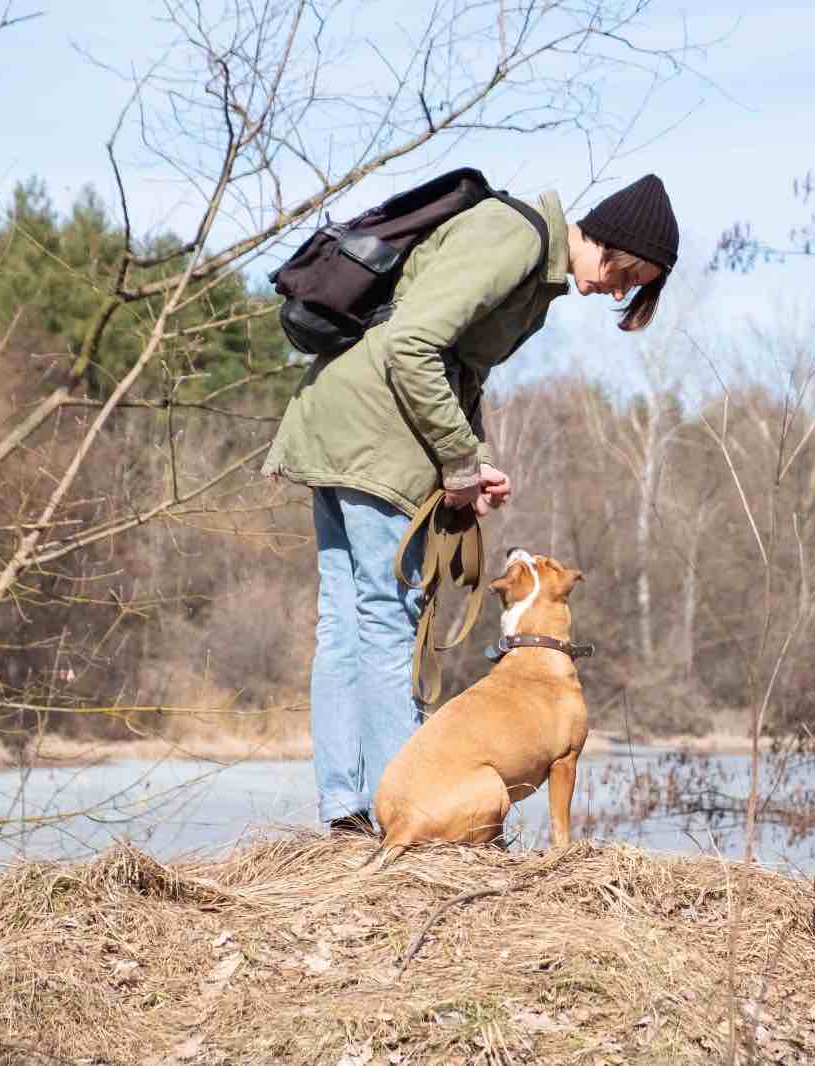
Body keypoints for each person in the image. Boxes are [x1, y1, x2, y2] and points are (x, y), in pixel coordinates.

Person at [261, 173, 679, 834]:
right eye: (628, 271)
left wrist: (473, 461)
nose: (620, 288)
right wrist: (455, 460)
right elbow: (411, 345)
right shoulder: (513, 238)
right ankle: (404, 809)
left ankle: (349, 811)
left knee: (347, 616)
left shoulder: (533, 269)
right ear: (613, 240)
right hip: (375, 432)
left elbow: (458, 367)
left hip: (344, 419)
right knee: (384, 616)